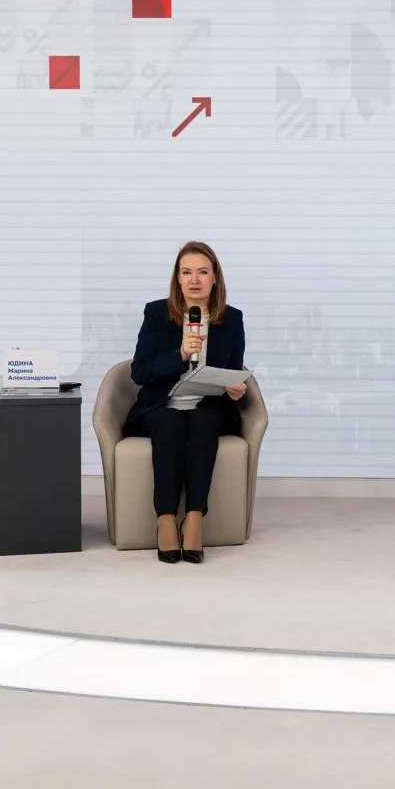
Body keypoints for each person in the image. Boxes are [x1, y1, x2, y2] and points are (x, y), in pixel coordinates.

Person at [124, 241, 249, 564]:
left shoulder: (232, 319)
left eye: (203, 272)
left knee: (203, 420)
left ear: (215, 278)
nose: (194, 280)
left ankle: (194, 517)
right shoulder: (156, 313)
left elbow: (233, 369)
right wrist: (179, 354)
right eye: (186, 272)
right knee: (171, 421)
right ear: (177, 278)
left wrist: (236, 388)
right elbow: (140, 371)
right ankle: (166, 518)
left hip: (209, 408)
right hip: (160, 408)